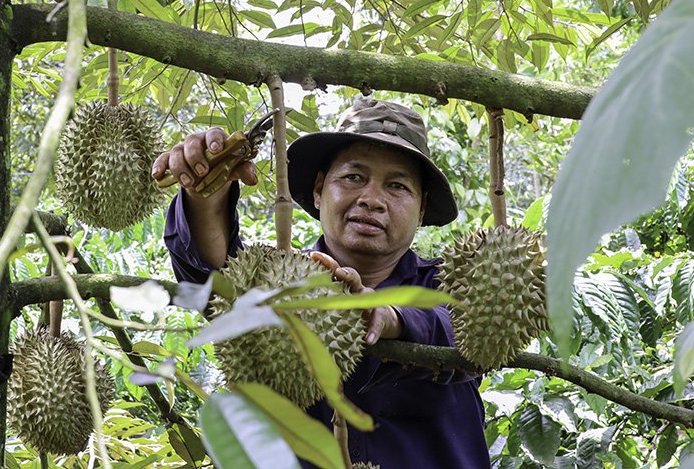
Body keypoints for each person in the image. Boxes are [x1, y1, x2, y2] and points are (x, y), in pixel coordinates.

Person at [153, 98, 490, 468]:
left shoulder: (451, 285)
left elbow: (476, 335)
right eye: (353, 177)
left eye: (396, 186)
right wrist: (205, 193)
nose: (372, 199)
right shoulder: (271, 281)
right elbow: (215, 275)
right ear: (318, 189)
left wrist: (392, 319)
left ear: (421, 209)